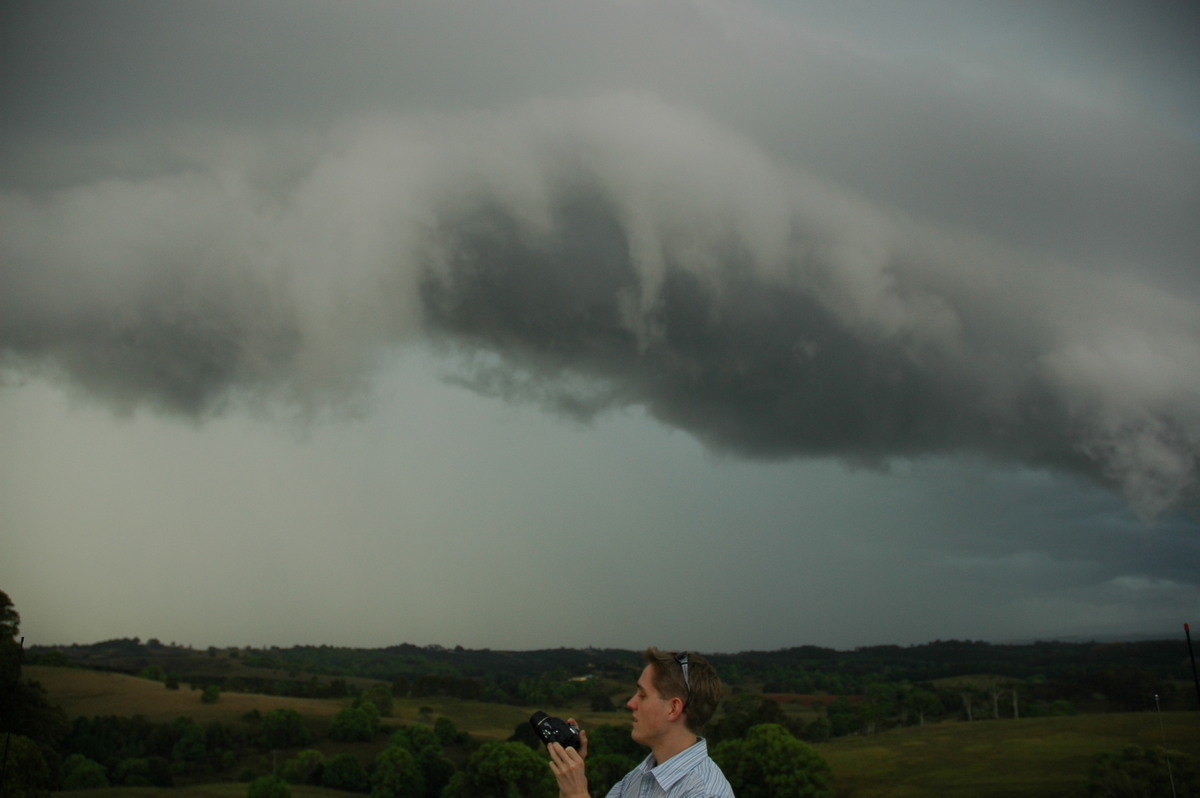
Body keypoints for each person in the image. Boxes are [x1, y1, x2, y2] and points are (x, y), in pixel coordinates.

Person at [547, 647, 734, 797]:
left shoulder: (705, 792)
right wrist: (569, 779)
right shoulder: (638, 778)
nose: (631, 703)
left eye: (642, 695)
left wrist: (577, 793)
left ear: (673, 708)